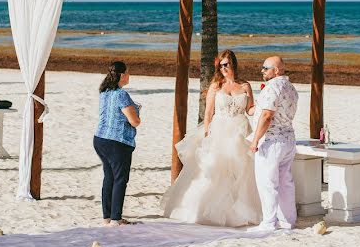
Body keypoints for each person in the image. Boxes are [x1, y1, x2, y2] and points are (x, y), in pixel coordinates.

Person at [161, 50, 262, 227]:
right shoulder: (216, 86)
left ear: (233, 64)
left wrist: (262, 106)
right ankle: (205, 210)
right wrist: (207, 134)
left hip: (240, 131)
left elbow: (250, 110)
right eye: (221, 65)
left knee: (241, 172)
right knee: (214, 170)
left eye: (226, 64)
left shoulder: (245, 86)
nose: (223, 68)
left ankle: (238, 212)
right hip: (220, 131)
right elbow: (208, 113)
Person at [249, 56, 299, 231]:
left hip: (271, 141)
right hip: (288, 139)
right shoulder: (292, 88)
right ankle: (288, 221)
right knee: (286, 182)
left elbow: (267, 115)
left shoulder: (273, 87)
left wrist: (255, 140)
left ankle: (269, 222)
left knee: (267, 182)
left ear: (276, 70)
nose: (262, 71)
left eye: (265, 68)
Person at [94, 60, 140, 226]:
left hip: (100, 139)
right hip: (116, 141)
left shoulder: (105, 91)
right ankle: (116, 219)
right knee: (120, 179)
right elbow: (134, 121)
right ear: (121, 75)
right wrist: (138, 111)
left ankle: (107, 216)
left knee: (109, 177)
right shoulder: (122, 94)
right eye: (127, 72)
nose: (129, 75)